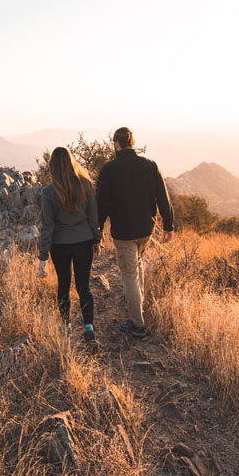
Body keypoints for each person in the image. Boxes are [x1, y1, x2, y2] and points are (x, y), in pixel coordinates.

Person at [96, 127, 174, 339]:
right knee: (138, 265)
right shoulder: (150, 165)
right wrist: (169, 225)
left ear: (116, 144)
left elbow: (101, 204)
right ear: (133, 142)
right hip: (145, 230)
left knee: (129, 275)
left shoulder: (109, 169)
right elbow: (163, 197)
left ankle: (137, 324)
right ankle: (138, 309)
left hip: (124, 232)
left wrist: (98, 229)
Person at [37, 146, 102, 342]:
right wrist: (97, 240)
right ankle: (88, 327)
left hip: (60, 246)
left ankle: (65, 326)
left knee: (63, 284)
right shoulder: (86, 185)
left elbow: (47, 226)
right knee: (84, 286)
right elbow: (93, 217)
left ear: (52, 167)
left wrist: (42, 257)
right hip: (83, 242)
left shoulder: (49, 192)